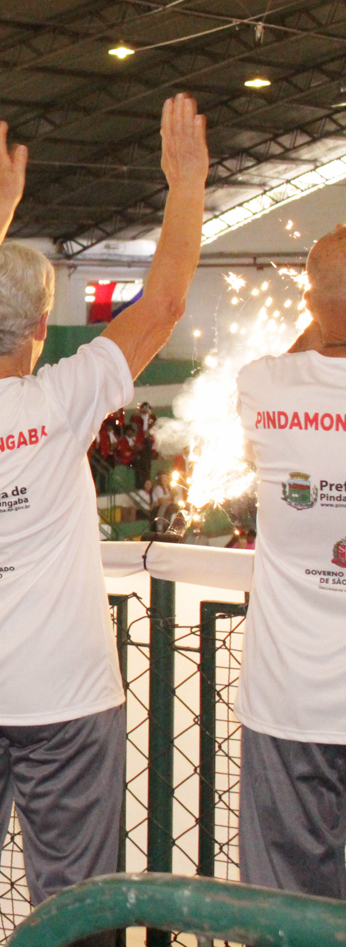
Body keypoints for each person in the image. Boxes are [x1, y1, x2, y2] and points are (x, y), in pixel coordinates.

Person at [0, 98, 206, 947]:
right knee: (75, 904)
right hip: (63, 699)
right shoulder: (59, 401)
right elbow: (163, 304)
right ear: (41, 326)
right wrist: (186, 184)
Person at [235, 224, 346, 898]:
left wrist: (322, 310)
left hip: (288, 701)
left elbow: (307, 357)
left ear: (308, 302)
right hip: (288, 705)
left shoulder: (263, 386)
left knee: (283, 910)